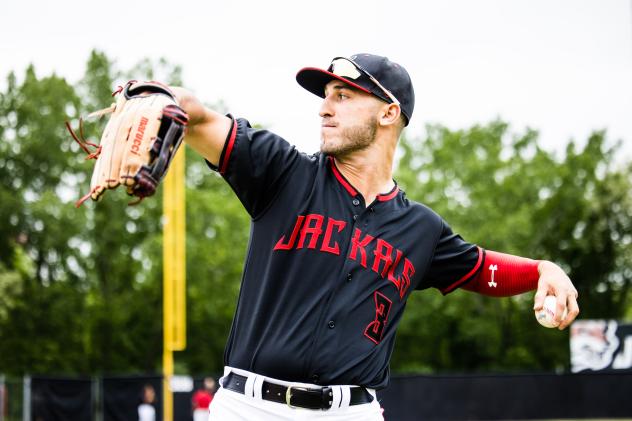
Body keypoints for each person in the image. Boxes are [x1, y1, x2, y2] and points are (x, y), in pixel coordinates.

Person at [171, 53, 579, 420]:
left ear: (388, 113)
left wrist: (543, 270)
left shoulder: (421, 229)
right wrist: (153, 97)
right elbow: (200, 118)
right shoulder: (283, 173)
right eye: (325, 96)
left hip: (352, 412)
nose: (324, 109)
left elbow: (481, 268)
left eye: (342, 96)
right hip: (250, 407)